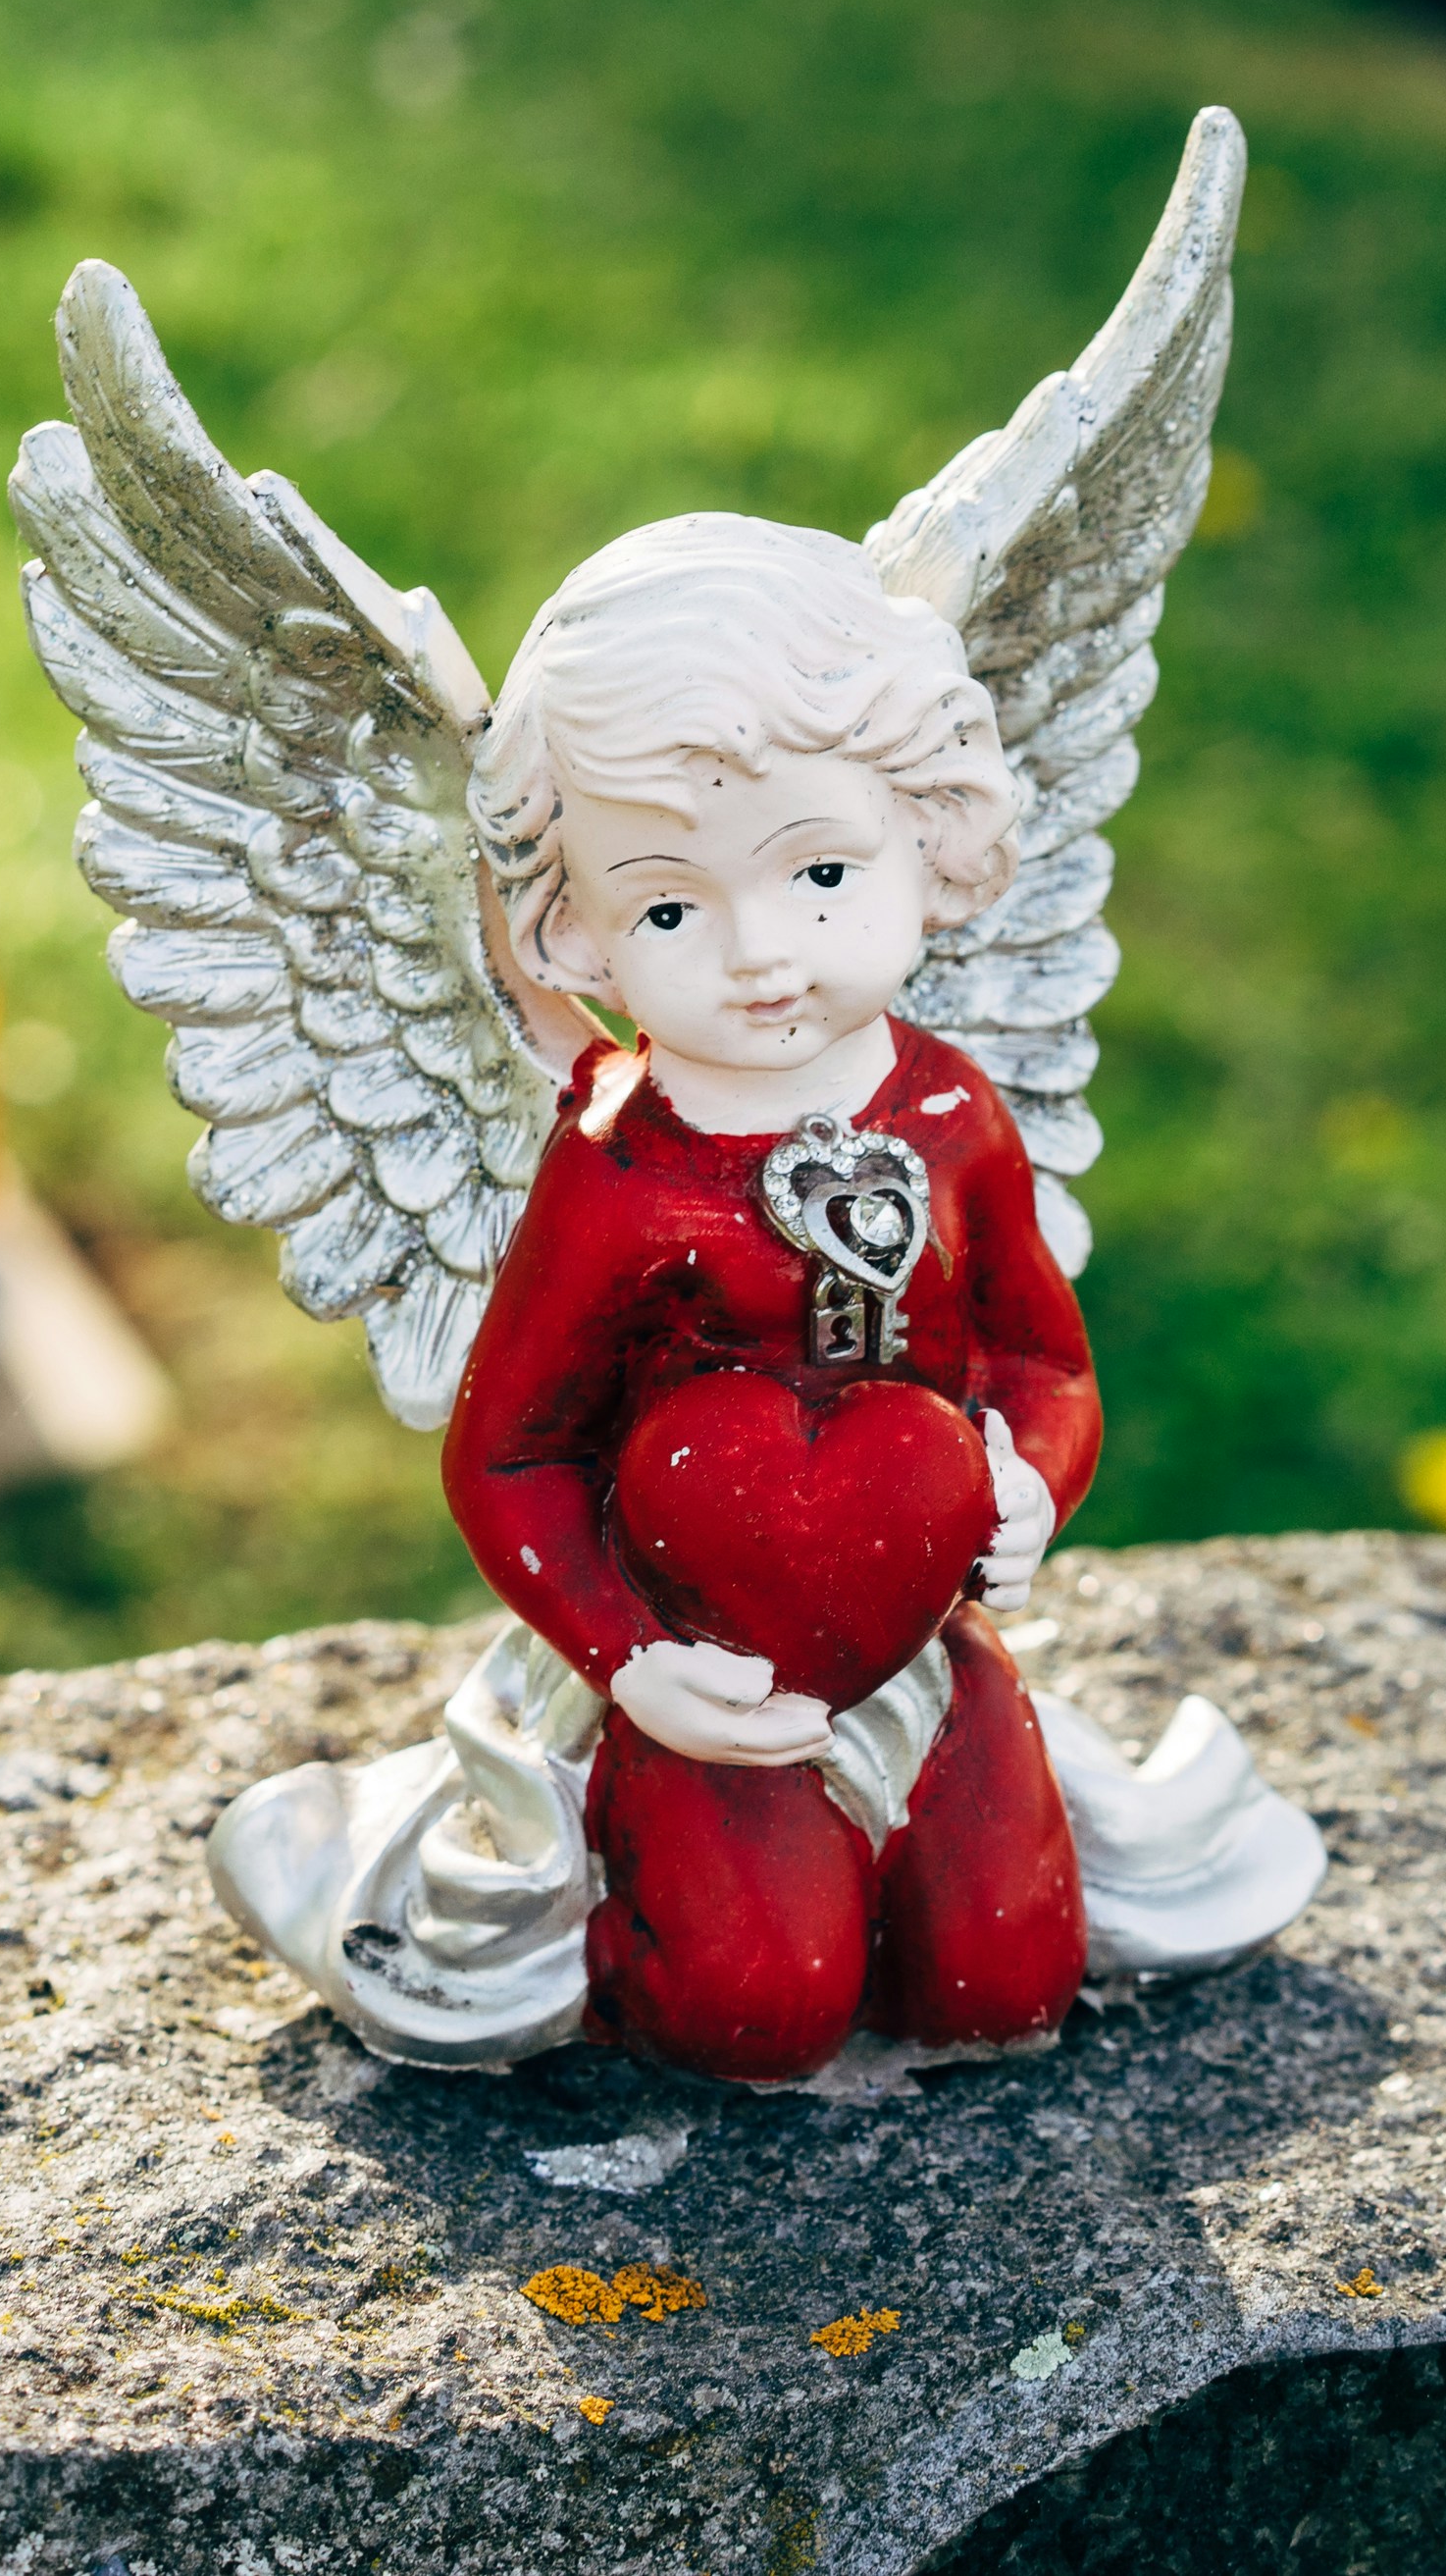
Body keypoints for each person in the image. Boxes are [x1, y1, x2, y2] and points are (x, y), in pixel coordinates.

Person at [439, 514, 1096, 2081]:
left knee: (1003, 1980)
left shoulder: (948, 1117)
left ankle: (926, 1848)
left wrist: (1024, 1479)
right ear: (578, 926)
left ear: (924, 839)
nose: (759, 955)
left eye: (818, 871)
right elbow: (509, 1454)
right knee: (754, 2009)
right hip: (697, 1660)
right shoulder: (619, 1174)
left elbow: (1035, 1359)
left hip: (917, 1618)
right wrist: (630, 1658)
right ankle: (616, 1896)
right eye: (668, 909)